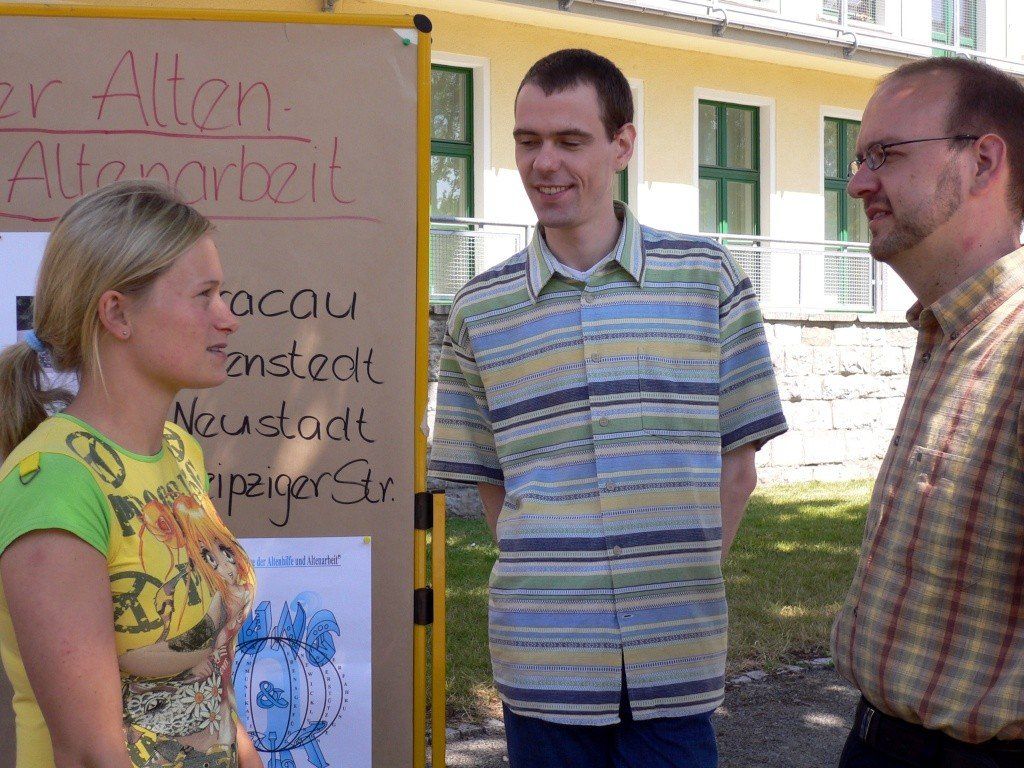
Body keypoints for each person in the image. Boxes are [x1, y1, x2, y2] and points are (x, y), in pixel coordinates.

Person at [429, 49, 787, 768]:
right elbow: (492, 486)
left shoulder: (707, 280)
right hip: (544, 663)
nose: (544, 164)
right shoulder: (479, 310)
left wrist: (678, 583)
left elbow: (738, 468)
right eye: (528, 141)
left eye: (570, 140)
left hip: (674, 659)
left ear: (622, 145)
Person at [0, 180, 262, 768]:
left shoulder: (179, 451)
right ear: (117, 313)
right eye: (205, 295)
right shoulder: (55, 483)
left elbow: (208, 684)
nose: (228, 318)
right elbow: (91, 752)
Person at [831, 57, 1024, 767]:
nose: (858, 183)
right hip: (878, 737)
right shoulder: (948, 330)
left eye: (885, 154)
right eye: (859, 159)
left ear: (983, 163)